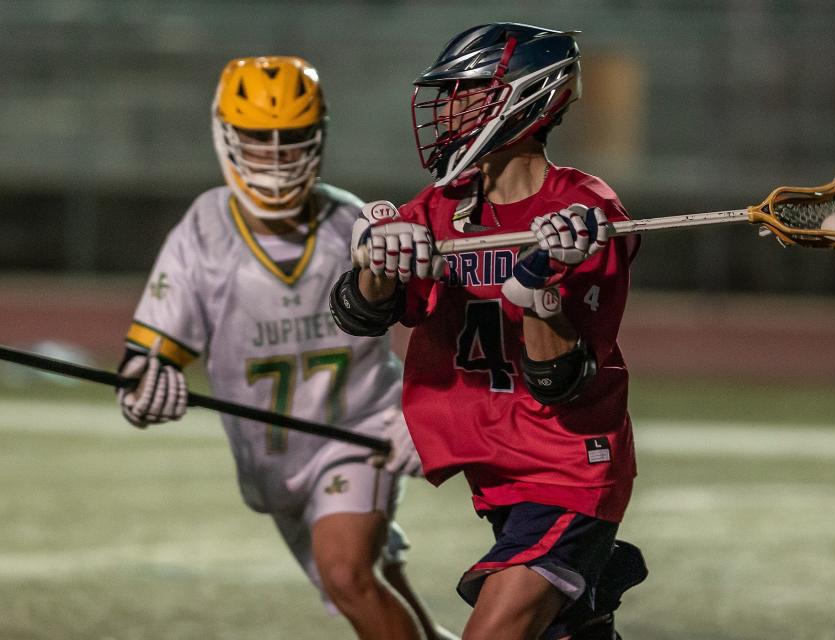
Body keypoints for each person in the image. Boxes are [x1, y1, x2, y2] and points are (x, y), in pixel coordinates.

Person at [117, 55, 455, 640]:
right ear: (226, 135)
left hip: (358, 435)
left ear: (317, 137)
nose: (274, 156)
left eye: (291, 139)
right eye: (257, 138)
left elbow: (438, 323)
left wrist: (428, 413)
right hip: (273, 468)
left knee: (346, 573)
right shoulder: (203, 232)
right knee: (371, 579)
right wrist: (146, 386)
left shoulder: (351, 222)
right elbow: (147, 358)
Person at [330, 24, 646, 640]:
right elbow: (360, 315)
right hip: (498, 469)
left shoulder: (587, 210)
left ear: (528, 99)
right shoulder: (439, 207)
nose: (449, 107)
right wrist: (375, 265)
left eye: (469, 92)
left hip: (568, 469)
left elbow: (557, 379)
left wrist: (539, 291)